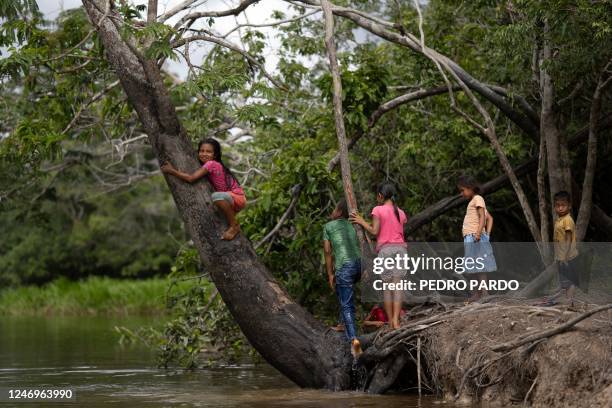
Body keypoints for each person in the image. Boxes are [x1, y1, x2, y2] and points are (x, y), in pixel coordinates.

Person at [161, 138, 246, 240]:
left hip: (235, 198)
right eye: (202, 151)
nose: (204, 154)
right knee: (217, 199)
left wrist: (172, 171)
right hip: (231, 199)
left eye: (209, 152)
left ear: (215, 155)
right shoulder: (209, 165)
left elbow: (191, 178)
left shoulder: (211, 164)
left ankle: (234, 225)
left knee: (216, 196)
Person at [350, 182, 407, 330]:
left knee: (388, 289)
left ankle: (391, 324)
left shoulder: (378, 210)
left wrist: (362, 221)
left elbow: (374, 231)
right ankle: (396, 321)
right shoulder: (400, 212)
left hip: (386, 250)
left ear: (380, 196)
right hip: (400, 250)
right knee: (398, 287)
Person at [323, 199, 362, 357]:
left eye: (334, 209)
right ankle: (341, 324)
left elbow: (327, 252)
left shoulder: (328, 227)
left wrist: (330, 273)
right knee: (344, 294)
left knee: (346, 304)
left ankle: (354, 341)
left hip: (345, 267)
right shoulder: (352, 224)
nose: (332, 212)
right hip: (359, 265)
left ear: (338, 212)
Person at [458, 175, 496, 301]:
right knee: (472, 266)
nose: (461, 193)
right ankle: (477, 293)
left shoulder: (478, 198)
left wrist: (480, 234)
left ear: (470, 188)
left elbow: (483, 218)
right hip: (472, 237)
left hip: (475, 237)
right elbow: (489, 217)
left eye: (463, 190)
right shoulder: (473, 201)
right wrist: (486, 234)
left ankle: (484, 293)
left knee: (479, 266)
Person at [553, 191, 579, 306]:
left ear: (569, 206)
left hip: (568, 256)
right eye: (557, 205)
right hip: (561, 256)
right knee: (565, 280)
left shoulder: (567, 220)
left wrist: (565, 256)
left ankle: (570, 302)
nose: (560, 208)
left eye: (563, 205)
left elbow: (568, 238)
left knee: (570, 280)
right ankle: (568, 302)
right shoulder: (559, 220)